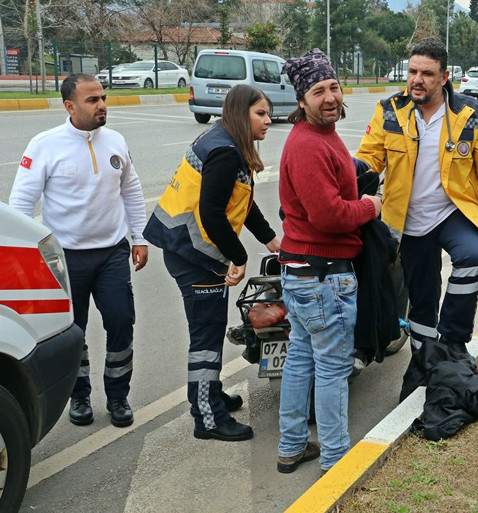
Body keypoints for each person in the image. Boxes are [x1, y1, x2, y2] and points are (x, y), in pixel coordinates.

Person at [356, 37, 478, 401]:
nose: (417, 79)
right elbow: (369, 158)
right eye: (412, 71)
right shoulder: (390, 111)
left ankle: (454, 342)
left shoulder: (471, 114)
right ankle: (425, 359)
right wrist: (348, 170)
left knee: (473, 256)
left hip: (453, 211)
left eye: (426, 73)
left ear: (443, 77)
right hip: (408, 220)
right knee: (422, 298)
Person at [143, 85, 281, 441]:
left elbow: (241, 202)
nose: (268, 120)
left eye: (268, 114)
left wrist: (270, 239)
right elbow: (212, 212)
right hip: (195, 255)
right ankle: (208, 417)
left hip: (185, 246)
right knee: (205, 336)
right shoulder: (225, 152)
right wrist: (239, 256)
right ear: (241, 114)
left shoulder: (223, 139)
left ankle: (210, 394)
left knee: (209, 330)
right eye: (261, 114)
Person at [10, 73, 147, 428]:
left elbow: (131, 191)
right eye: (92, 100)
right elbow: (22, 204)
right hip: (65, 258)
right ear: (69, 106)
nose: (102, 105)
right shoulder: (45, 145)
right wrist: (29, 257)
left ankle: (118, 396)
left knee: (121, 321)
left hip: (112, 253)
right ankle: (79, 395)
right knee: (74, 330)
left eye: (103, 98)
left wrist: (140, 238)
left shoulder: (115, 140)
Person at [276, 48, 382, 473]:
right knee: (333, 369)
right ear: (301, 101)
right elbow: (329, 215)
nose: (329, 97)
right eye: (318, 91)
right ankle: (336, 460)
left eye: (334, 87)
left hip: (305, 274)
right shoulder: (307, 144)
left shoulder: (323, 136)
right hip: (323, 277)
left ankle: (291, 445)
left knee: (301, 359)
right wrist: (370, 206)